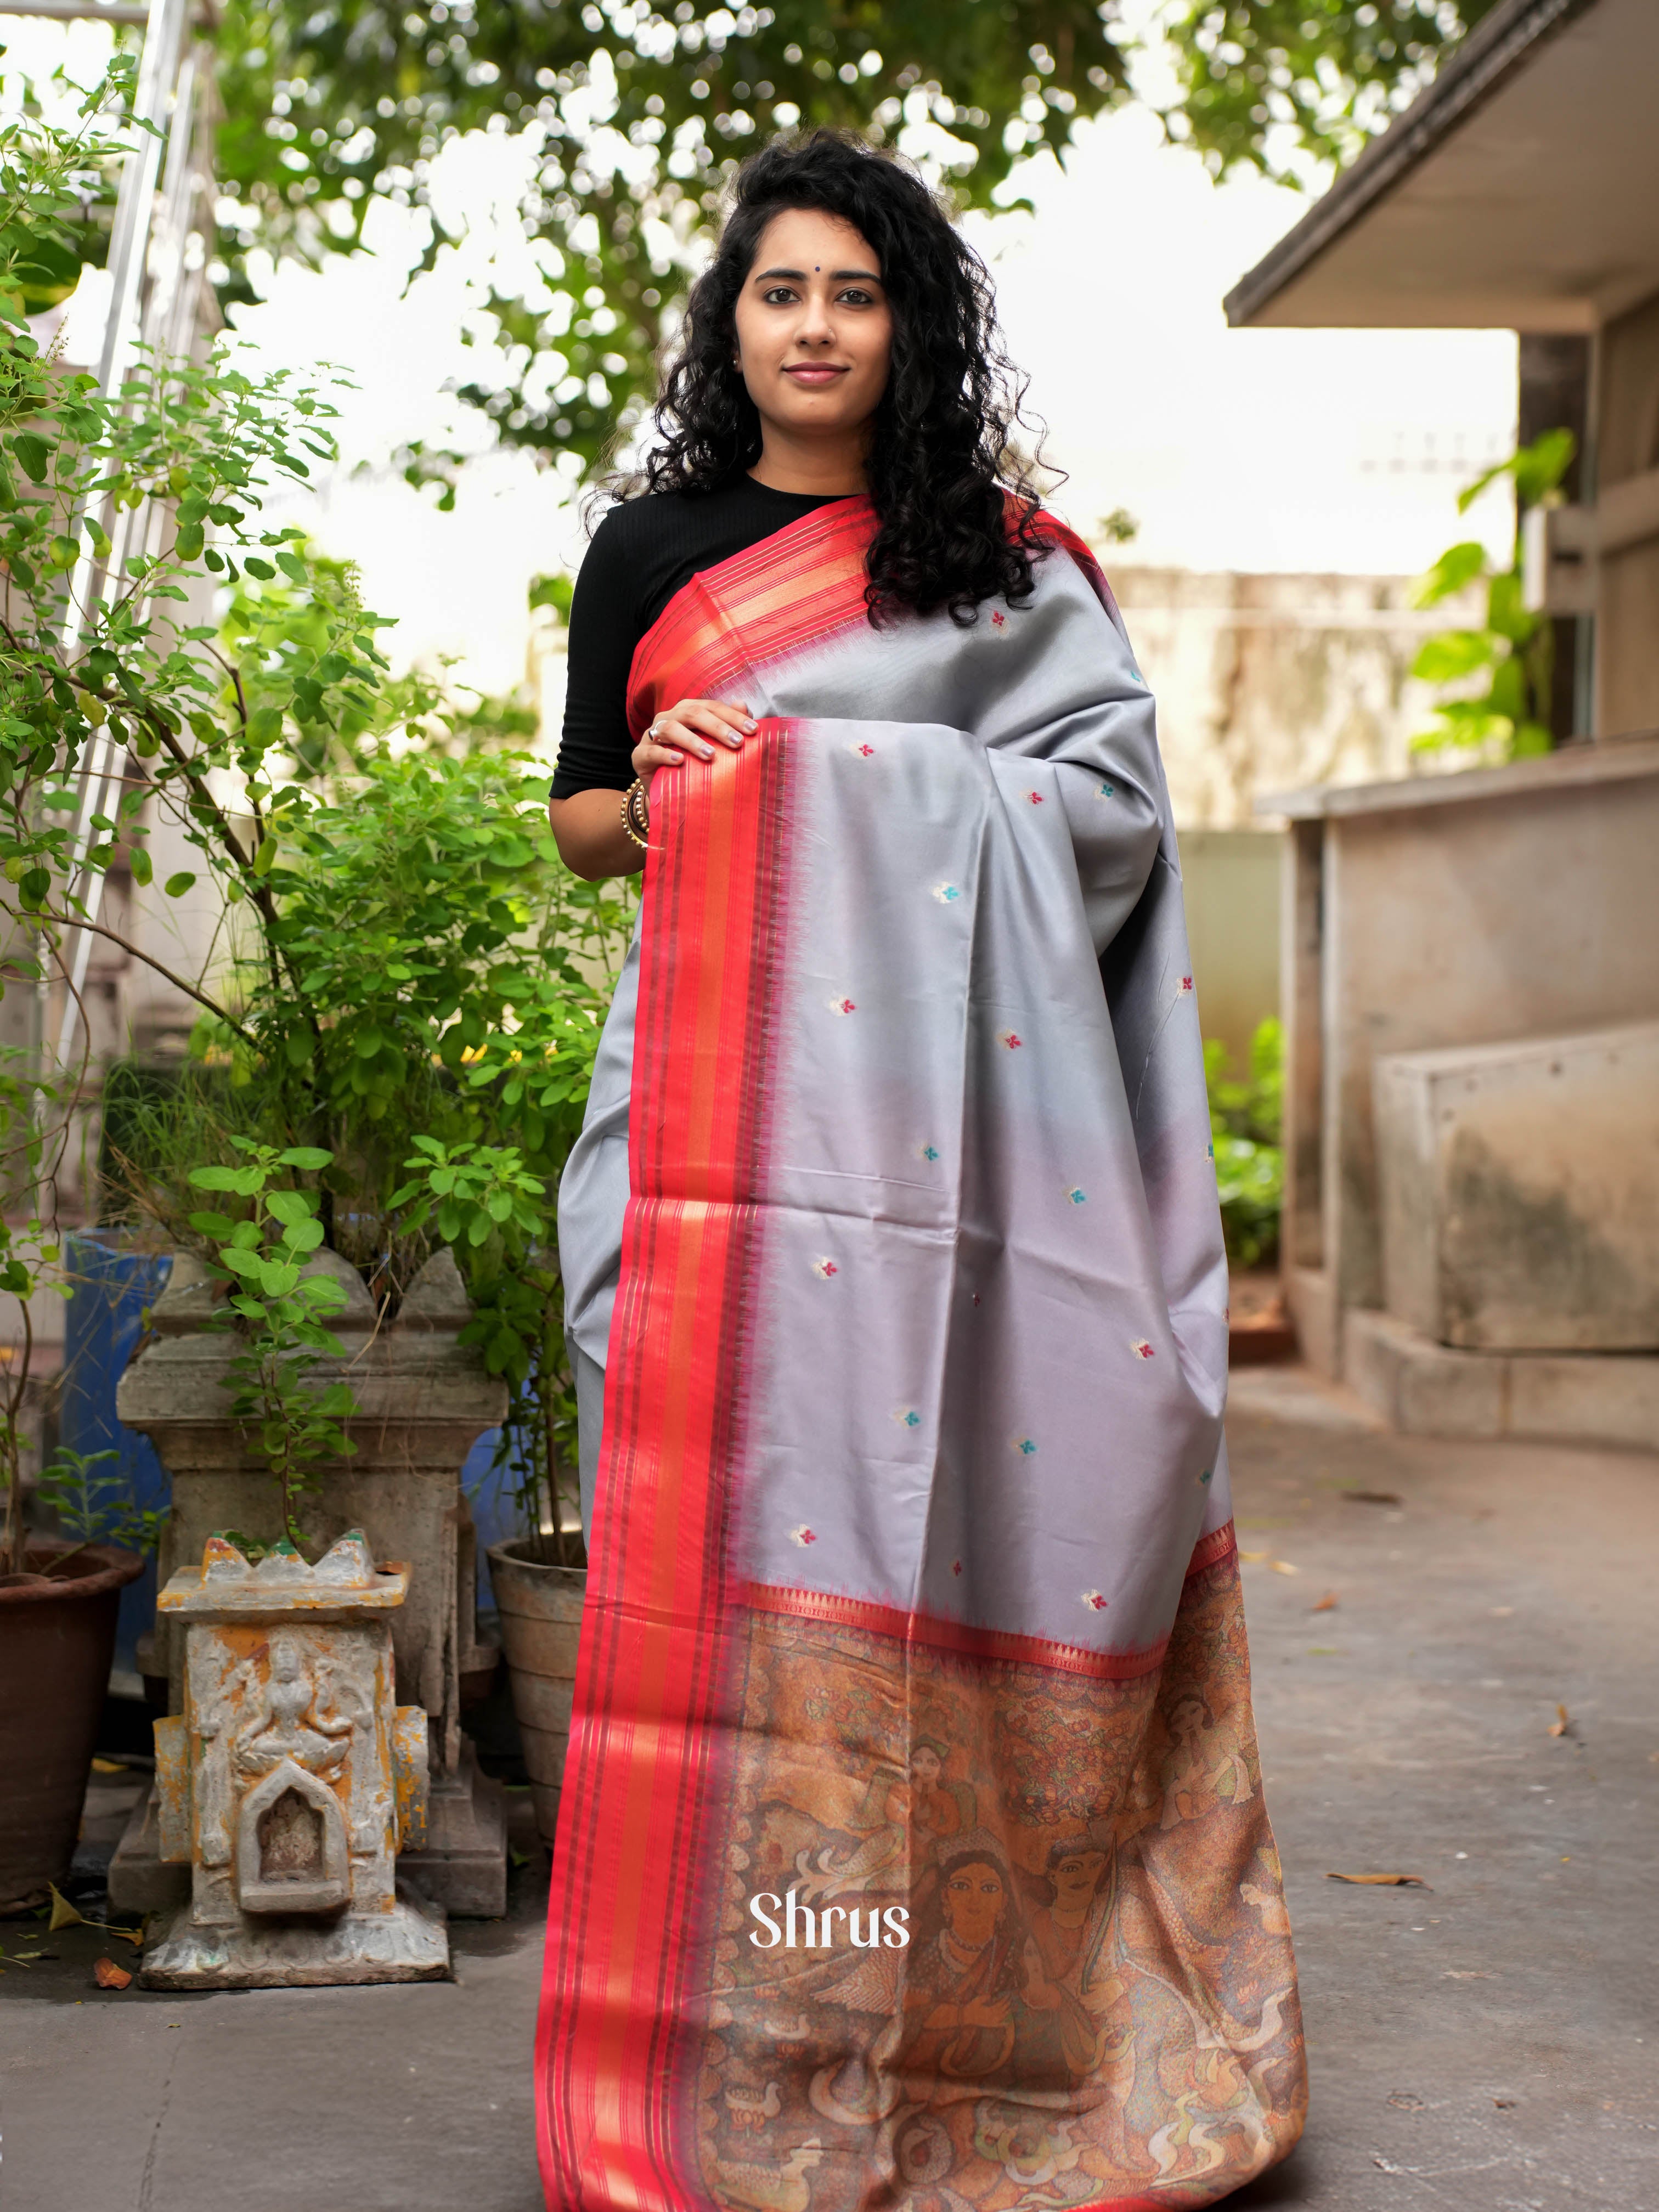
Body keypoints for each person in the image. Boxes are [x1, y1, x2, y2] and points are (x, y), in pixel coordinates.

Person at [538, 127, 1306, 2211]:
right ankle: (761, 2041)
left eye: (854, 293)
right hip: (716, 1140)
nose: (813, 328)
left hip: (973, 1160)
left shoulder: (1007, 561)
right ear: (734, 320)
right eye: (779, 291)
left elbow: (1116, 814)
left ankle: (973, 2030)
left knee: (958, 1523)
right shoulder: (659, 549)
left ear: (910, 327)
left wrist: (867, 776)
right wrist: (687, 774)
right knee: (730, 1547)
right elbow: (587, 824)